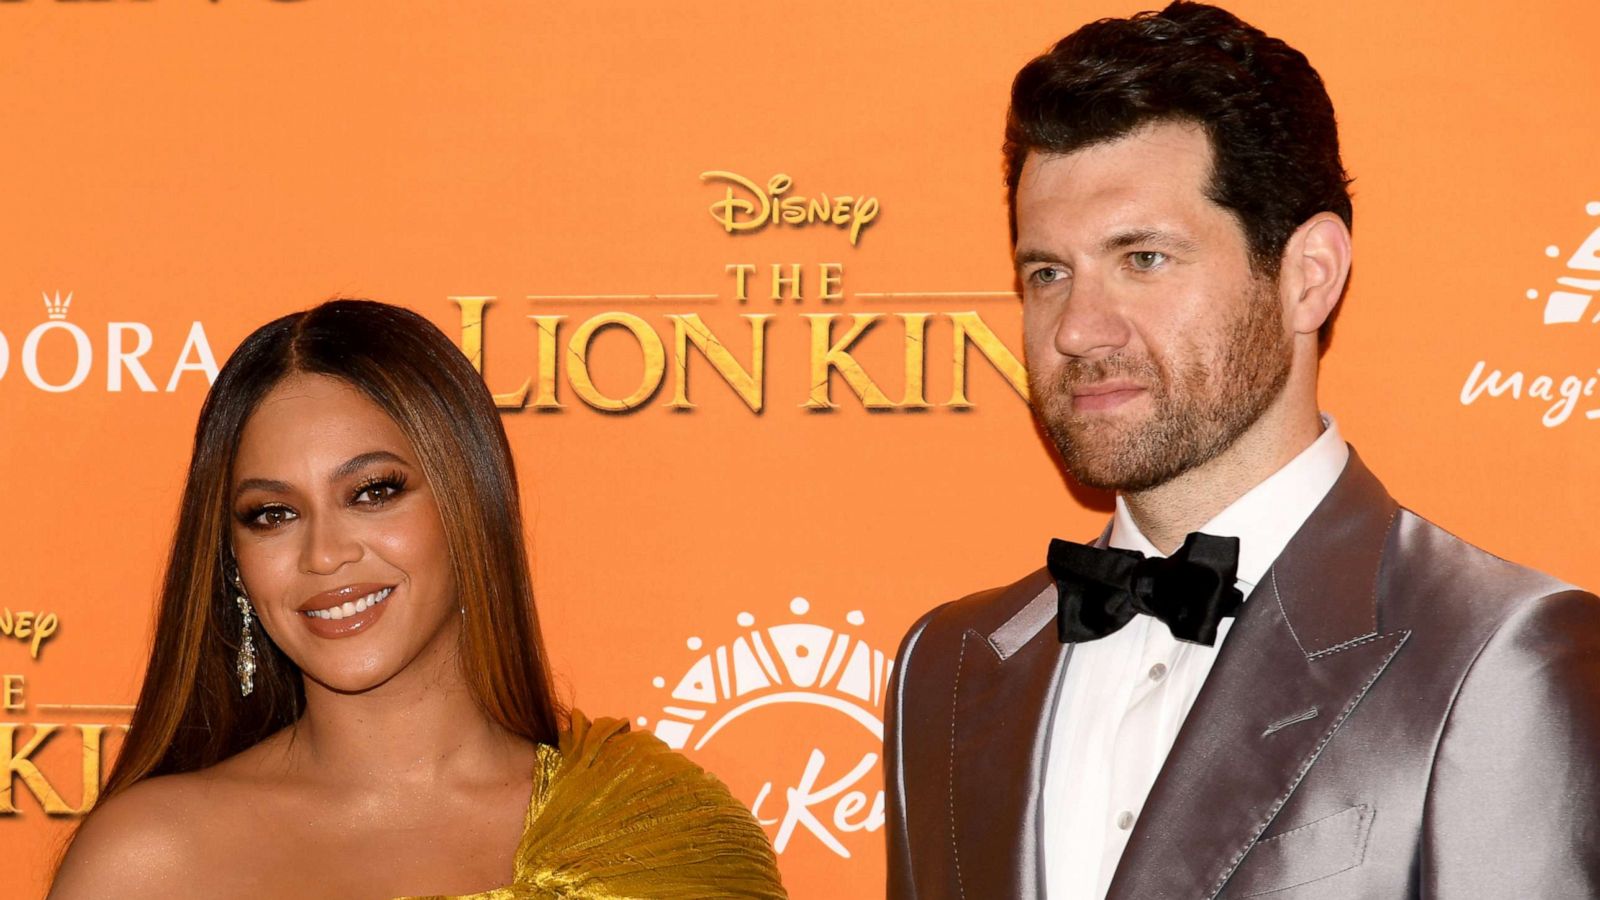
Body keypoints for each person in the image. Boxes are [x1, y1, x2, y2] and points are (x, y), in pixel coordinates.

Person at [884, 3, 1600, 899]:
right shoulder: (947, 665)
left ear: (1309, 276)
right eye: (1048, 272)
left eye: (1142, 258)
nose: (1075, 329)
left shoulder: (1497, 658)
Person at [50, 300, 786, 899]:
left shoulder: (656, 832)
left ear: (468, 506)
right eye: (273, 514)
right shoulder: (148, 863)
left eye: (374, 493)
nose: (324, 554)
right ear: (234, 563)